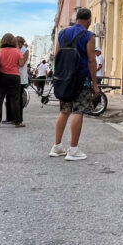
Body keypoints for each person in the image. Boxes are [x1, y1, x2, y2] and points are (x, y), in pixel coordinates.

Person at [50, 8, 99, 160]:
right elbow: (92, 61)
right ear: (89, 20)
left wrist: (58, 76)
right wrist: (95, 85)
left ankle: (56, 147)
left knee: (64, 111)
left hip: (65, 79)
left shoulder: (62, 33)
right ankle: (73, 150)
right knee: (78, 111)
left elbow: (57, 56)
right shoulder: (89, 35)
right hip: (81, 79)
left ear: (76, 18)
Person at [0, 33, 29, 127]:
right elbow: (21, 64)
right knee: (15, 100)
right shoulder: (17, 51)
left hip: (1, 77)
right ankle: (17, 122)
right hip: (14, 77)